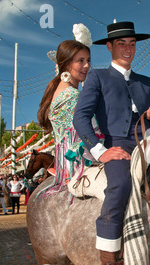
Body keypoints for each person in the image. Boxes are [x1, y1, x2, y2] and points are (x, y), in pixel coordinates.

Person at [73, 21, 150, 265]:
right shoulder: (97, 77)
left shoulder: (146, 82)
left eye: (132, 43)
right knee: (120, 186)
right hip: (117, 146)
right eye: (121, 44)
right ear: (110, 47)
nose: (128, 49)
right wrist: (101, 150)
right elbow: (80, 117)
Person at [37, 39, 92, 195]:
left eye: (88, 60)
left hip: (64, 164)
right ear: (67, 64)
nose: (87, 65)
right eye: (80, 61)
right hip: (79, 164)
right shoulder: (72, 95)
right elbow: (87, 133)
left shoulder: (60, 90)